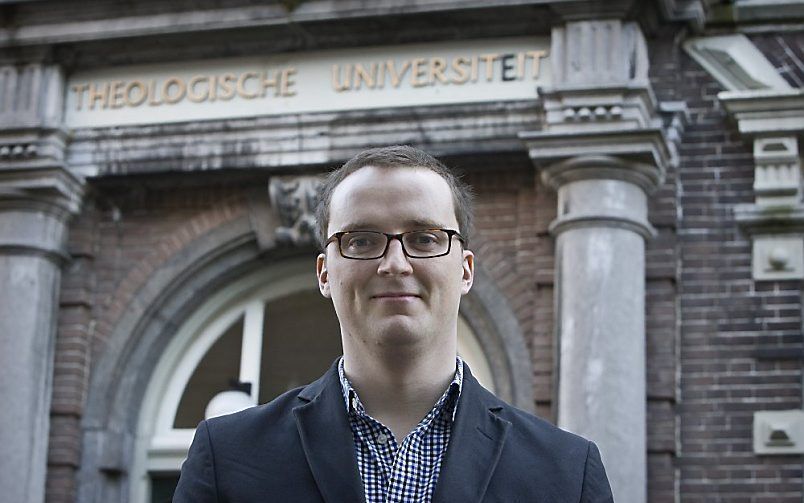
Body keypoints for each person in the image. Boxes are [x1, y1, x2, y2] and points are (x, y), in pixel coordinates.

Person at [173, 145, 614, 502]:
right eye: (362, 240)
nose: (394, 263)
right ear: (325, 273)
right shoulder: (227, 457)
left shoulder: (567, 473)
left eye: (424, 238)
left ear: (465, 269)